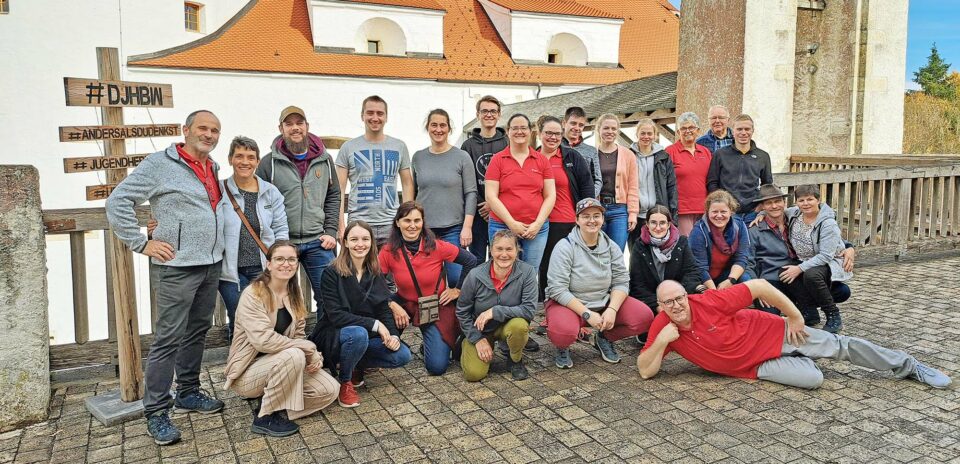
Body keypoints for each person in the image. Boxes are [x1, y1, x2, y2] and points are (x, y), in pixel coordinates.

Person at [106, 110, 226, 446]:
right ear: (186, 130)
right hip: (176, 267)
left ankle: (188, 392)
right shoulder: (160, 164)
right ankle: (156, 411)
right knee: (168, 339)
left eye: (215, 130)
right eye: (203, 128)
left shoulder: (213, 166)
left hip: (210, 264)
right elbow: (117, 201)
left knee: (197, 331)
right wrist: (141, 243)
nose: (209, 134)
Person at [637, 279, 952, 390]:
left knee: (840, 346)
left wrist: (794, 316)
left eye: (679, 298)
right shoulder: (663, 325)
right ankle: (806, 356)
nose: (677, 306)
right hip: (756, 367)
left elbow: (759, 286)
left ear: (687, 295)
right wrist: (663, 341)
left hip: (775, 334)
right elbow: (645, 371)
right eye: (669, 302)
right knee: (813, 380)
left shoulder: (709, 301)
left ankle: (908, 365)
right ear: (660, 305)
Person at [224, 241, 339, 436]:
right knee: (294, 354)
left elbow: (299, 334)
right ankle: (265, 417)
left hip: (284, 365)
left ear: (297, 264)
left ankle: (278, 403)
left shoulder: (294, 293)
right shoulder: (253, 293)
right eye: (279, 259)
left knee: (329, 389)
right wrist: (307, 348)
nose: (286, 264)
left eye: (291, 260)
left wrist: (312, 356)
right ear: (268, 264)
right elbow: (263, 341)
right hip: (248, 372)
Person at [545, 198, 655, 369]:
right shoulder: (564, 247)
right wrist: (587, 314)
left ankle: (604, 338)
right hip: (570, 304)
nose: (592, 220)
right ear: (577, 220)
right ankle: (563, 346)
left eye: (596, 216)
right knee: (563, 332)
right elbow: (557, 289)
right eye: (586, 216)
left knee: (643, 318)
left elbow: (621, 280)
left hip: (603, 301)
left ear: (603, 219)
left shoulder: (611, 247)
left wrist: (612, 309)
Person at [312, 221, 412, 408]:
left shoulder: (374, 271)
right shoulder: (331, 273)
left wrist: (393, 335)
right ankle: (345, 382)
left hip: (364, 336)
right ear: (345, 242)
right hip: (336, 335)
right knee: (358, 333)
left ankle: (356, 364)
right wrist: (376, 324)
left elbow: (383, 308)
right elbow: (336, 316)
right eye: (354, 239)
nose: (360, 244)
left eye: (365, 239)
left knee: (402, 355)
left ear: (371, 242)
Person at [256, 106, 340, 314]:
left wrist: (330, 231)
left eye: (299, 123)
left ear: (307, 126)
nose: (295, 128)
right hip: (283, 242)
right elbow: (259, 201)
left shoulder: (325, 160)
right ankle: (284, 336)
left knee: (330, 296)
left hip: (318, 241)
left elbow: (333, 195)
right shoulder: (269, 163)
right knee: (277, 299)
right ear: (281, 128)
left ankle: (324, 335)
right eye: (289, 124)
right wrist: (272, 239)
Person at [378, 202, 478, 375]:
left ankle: (432, 344)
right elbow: (375, 283)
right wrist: (391, 305)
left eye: (417, 220)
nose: (412, 225)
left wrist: (457, 289)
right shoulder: (388, 250)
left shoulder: (436, 246)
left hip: (434, 304)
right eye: (407, 220)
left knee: (437, 367)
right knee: (379, 317)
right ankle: (389, 346)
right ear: (397, 223)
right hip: (404, 303)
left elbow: (470, 260)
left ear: (423, 222)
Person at [748, 184, 856, 322]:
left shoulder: (795, 217)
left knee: (842, 291)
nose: (774, 206)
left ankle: (807, 309)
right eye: (768, 203)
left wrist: (849, 247)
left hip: (799, 275)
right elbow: (748, 263)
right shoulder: (754, 230)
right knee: (771, 316)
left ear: (784, 203)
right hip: (773, 279)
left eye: (777, 201)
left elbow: (830, 238)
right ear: (762, 206)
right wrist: (757, 288)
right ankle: (800, 307)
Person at [218, 136, 289, 340]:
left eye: (251, 157)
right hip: (231, 270)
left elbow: (280, 228)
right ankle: (238, 357)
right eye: (239, 156)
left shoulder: (270, 192)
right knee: (239, 318)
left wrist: (279, 260)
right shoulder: (219, 190)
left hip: (263, 268)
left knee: (268, 316)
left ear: (258, 161)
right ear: (230, 159)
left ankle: (265, 358)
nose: (245, 162)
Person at [456, 230, 537, 381]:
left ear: (517, 250)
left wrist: (495, 311)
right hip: (480, 329)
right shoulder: (475, 275)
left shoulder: (527, 272)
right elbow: (462, 311)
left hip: (509, 326)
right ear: (491, 251)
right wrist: (477, 338)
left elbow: (529, 310)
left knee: (519, 326)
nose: (504, 254)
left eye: (509, 249)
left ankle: (515, 360)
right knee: (474, 374)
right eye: (499, 249)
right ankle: (466, 343)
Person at [336, 95, 414, 246]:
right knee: (359, 263)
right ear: (362, 116)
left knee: (393, 263)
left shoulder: (399, 146)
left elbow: (407, 184)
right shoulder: (348, 147)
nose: (375, 118)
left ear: (386, 117)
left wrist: (406, 221)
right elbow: (339, 189)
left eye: (380, 113)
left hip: (391, 225)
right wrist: (340, 227)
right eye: (370, 113)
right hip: (359, 225)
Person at [412, 109, 478, 286]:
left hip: (453, 229)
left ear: (449, 128)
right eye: (434, 125)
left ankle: (457, 305)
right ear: (428, 127)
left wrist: (467, 227)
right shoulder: (418, 157)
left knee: (456, 278)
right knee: (427, 280)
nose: (438, 129)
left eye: (443, 125)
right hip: (425, 230)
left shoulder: (462, 157)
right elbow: (413, 192)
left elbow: (471, 193)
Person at [485, 113, 557, 269]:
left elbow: (550, 195)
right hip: (501, 226)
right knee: (502, 271)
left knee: (530, 272)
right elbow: (490, 196)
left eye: (523, 128)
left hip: (536, 228)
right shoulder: (497, 160)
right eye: (515, 128)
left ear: (530, 131)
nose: (519, 132)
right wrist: (511, 223)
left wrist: (538, 224)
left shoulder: (541, 160)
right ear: (508, 131)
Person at [779, 184, 852, 333]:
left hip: (828, 261)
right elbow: (776, 211)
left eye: (810, 199)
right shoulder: (794, 213)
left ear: (818, 200)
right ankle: (809, 312)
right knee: (784, 272)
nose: (805, 204)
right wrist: (761, 214)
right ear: (797, 202)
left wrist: (799, 269)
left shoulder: (827, 223)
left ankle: (833, 315)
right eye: (801, 200)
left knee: (811, 275)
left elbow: (826, 256)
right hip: (804, 260)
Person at [537, 115, 595, 302]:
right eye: (548, 133)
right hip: (537, 222)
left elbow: (587, 188)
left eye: (557, 133)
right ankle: (546, 305)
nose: (553, 137)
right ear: (539, 133)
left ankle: (571, 304)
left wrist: (587, 219)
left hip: (565, 221)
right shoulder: (532, 157)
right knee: (544, 266)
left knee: (567, 266)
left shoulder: (571, 156)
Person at [629, 205, 701, 344]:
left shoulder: (681, 242)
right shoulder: (639, 246)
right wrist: (659, 305)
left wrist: (676, 299)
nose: (658, 227)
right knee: (647, 326)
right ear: (647, 224)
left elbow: (692, 273)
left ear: (668, 224)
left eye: (662, 223)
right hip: (653, 301)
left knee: (700, 297)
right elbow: (637, 284)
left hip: (678, 298)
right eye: (653, 223)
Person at [461, 95, 508, 262]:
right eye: (485, 111)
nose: (489, 114)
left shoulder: (507, 143)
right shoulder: (468, 146)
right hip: (476, 213)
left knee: (500, 258)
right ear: (478, 115)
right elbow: (466, 180)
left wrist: (492, 204)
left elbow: (510, 179)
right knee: (477, 261)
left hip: (501, 212)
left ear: (499, 114)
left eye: (493, 111)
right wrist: (482, 204)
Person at [706, 114, 773, 221]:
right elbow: (712, 183)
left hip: (753, 212)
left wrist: (761, 206)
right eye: (739, 129)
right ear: (733, 131)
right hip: (727, 212)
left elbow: (767, 185)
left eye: (747, 129)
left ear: (753, 131)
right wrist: (721, 205)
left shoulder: (763, 156)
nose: (743, 132)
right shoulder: (720, 154)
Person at [593, 113, 639, 251]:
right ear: (599, 129)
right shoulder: (591, 153)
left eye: (614, 129)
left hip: (619, 211)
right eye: (606, 128)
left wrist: (633, 213)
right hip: (596, 208)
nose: (610, 131)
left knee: (617, 252)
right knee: (597, 252)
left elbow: (633, 186)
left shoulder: (628, 155)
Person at [689, 190, 751, 289]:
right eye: (714, 212)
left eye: (723, 212)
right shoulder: (698, 231)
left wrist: (730, 280)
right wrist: (714, 292)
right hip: (703, 279)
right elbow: (700, 268)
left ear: (731, 212)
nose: (719, 216)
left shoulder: (740, 225)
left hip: (726, 275)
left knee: (746, 279)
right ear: (707, 212)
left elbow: (741, 258)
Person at [628, 118, 678, 242]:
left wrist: (673, 216)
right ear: (637, 134)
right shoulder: (628, 155)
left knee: (658, 250)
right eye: (643, 133)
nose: (646, 137)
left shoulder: (663, 157)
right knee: (636, 250)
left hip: (657, 214)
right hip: (635, 215)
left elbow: (671, 187)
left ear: (655, 135)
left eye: (649, 133)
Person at [665, 112, 712, 236]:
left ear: (698, 130)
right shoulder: (670, 152)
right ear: (678, 132)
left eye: (691, 127)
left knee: (702, 243)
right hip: (682, 210)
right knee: (687, 243)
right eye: (683, 128)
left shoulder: (705, 152)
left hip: (704, 209)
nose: (687, 131)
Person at [561, 106, 602, 195]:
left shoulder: (591, 151)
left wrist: (589, 198)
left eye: (581, 125)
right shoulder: (555, 148)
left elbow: (597, 180)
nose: (577, 128)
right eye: (573, 123)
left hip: (584, 200)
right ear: (564, 123)